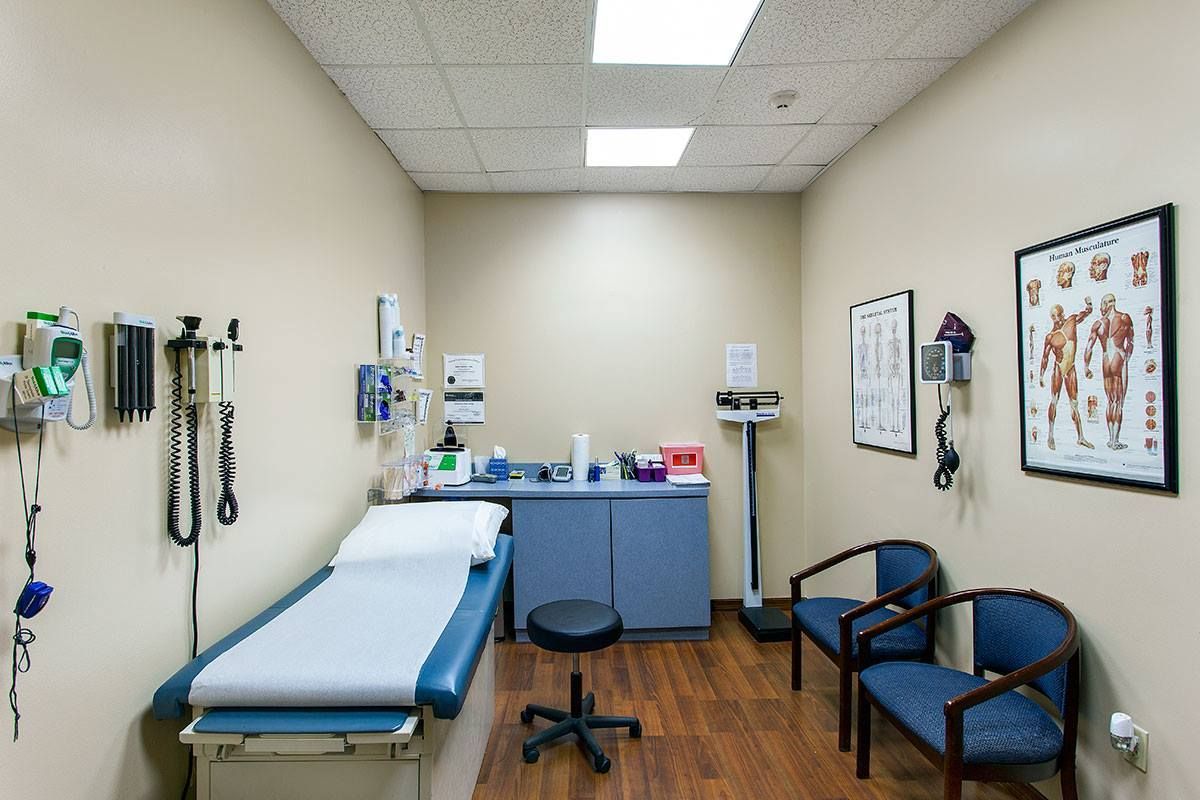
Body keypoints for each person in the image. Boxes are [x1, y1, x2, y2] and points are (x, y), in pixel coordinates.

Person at [1040, 297, 1094, 451]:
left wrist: (1089, 305)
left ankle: (1080, 437)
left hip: (1070, 367)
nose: (1057, 318)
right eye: (1054, 316)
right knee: (1054, 400)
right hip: (1059, 367)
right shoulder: (1050, 336)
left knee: (1074, 404)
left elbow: (1086, 313)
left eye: (1059, 314)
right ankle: (1050, 435)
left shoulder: (1071, 322)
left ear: (1063, 313)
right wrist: (1041, 375)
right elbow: (1045, 357)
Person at [1085, 294, 1135, 450]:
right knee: (1118, 402)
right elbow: (1130, 342)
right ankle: (1115, 441)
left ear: (1106, 304)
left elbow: (1089, 347)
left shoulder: (1098, 324)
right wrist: (1126, 358)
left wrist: (1086, 367)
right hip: (1118, 357)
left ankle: (1111, 439)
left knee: (1110, 401)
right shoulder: (1124, 318)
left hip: (1106, 360)